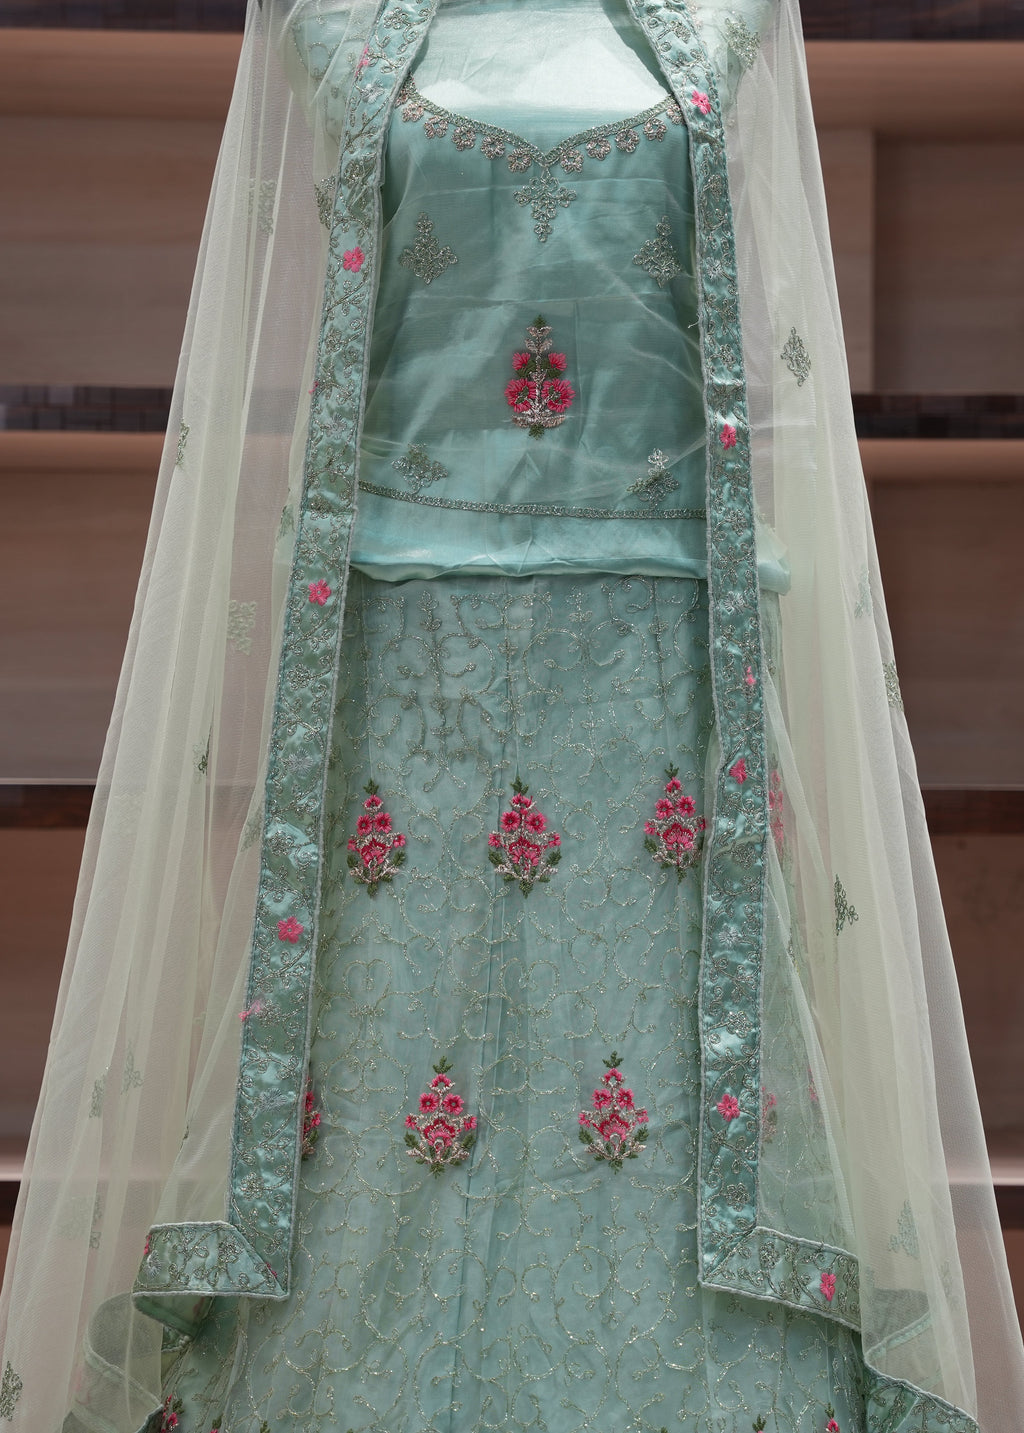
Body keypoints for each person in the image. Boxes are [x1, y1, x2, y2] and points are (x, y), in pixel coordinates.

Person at [2, 1, 1023, 1430]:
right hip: (408, 672)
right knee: (376, 1098)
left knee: (671, 1103)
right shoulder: (334, 21)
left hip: (656, 663)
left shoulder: (724, 19)